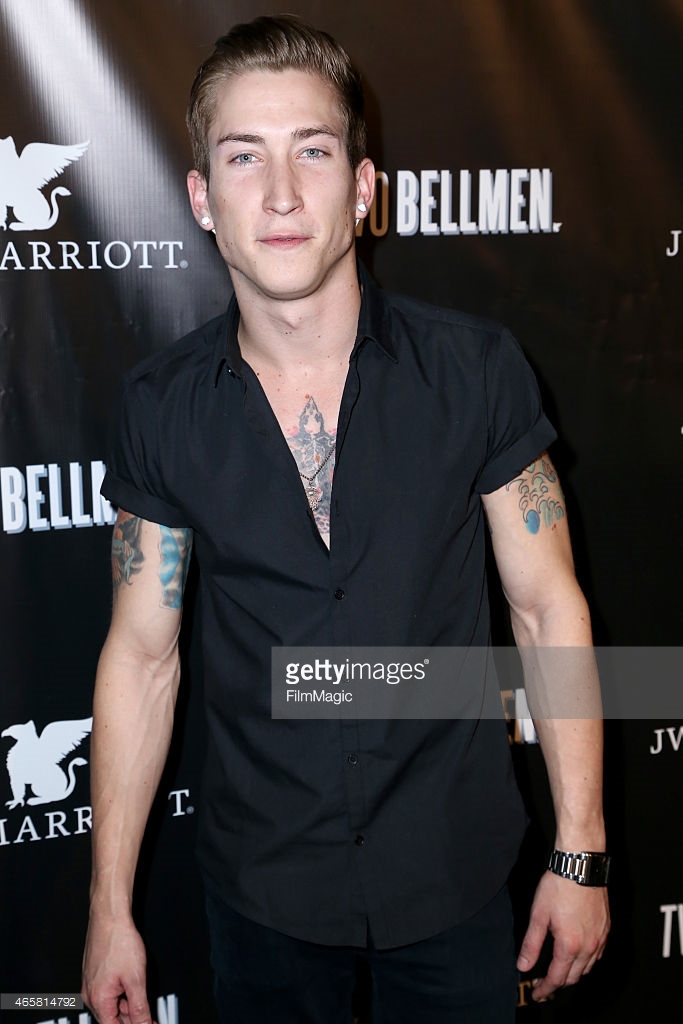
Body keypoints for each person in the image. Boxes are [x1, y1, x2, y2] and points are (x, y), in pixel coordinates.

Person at [81, 15, 610, 1024]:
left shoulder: (474, 371)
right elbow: (141, 656)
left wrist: (578, 849)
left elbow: (547, 610)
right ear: (201, 198)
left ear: (363, 189)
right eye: (244, 157)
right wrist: (109, 908)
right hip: (260, 895)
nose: (279, 194)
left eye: (312, 151)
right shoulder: (162, 407)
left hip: (455, 885)